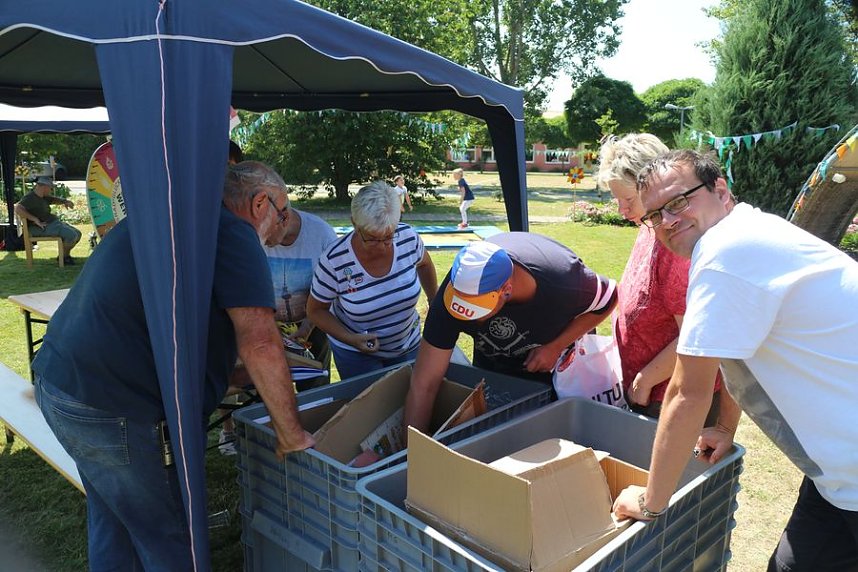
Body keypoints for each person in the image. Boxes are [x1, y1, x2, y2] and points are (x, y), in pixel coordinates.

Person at [33, 161, 314, 570]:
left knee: (116, 519)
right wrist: (291, 434)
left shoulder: (177, 214)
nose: (280, 227)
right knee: (167, 535)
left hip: (61, 380)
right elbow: (259, 341)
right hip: (111, 403)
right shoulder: (234, 233)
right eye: (282, 213)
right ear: (259, 204)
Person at [612, 149, 858, 571]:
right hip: (839, 474)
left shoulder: (724, 252)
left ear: (720, 190)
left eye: (678, 202)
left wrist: (651, 502)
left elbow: (687, 393)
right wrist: (725, 426)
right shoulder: (747, 233)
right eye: (653, 215)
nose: (666, 221)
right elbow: (738, 353)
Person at [404, 233, 618, 432]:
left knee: (549, 432)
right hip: (494, 366)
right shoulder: (451, 298)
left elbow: (609, 297)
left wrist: (556, 346)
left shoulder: (562, 280)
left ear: (506, 289)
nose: (471, 320)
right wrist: (411, 452)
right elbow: (424, 383)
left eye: (479, 309)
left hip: (558, 372)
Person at [597, 134, 722, 423]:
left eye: (628, 199)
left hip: (671, 398)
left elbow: (695, 334)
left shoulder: (677, 246)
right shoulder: (650, 227)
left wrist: (646, 380)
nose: (622, 210)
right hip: (648, 392)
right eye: (617, 200)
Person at [217, 202, 338, 455]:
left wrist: (306, 328)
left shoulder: (321, 234)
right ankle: (255, 441)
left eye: (270, 232)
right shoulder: (248, 232)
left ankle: (315, 440)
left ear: (282, 218)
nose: (266, 239)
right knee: (259, 388)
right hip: (260, 325)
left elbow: (329, 292)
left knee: (315, 386)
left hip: (311, 326)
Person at [307, 181, 438, 380]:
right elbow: (316, 311)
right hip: (357, 355)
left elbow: (425, 264)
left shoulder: (408, 238)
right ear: (354, 224)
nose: (382, 246)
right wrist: (351, 339)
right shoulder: (334, 260)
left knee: (410, 396)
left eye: (388, 236)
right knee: (371, 400)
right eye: (372, 238)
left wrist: (434, 299)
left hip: (408, 344)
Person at [14, 176, 82, 265]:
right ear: (44, 187)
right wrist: (35, 219)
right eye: (50, 188)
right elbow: (18, 208)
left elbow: (53, 199)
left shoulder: (43, 196)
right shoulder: (30, 198)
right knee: (71, 235)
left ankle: (64, 256)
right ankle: (64, 257)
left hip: (51, 224)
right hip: (40, 227)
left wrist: (65, 201)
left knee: (78, 234)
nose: (51, 190)